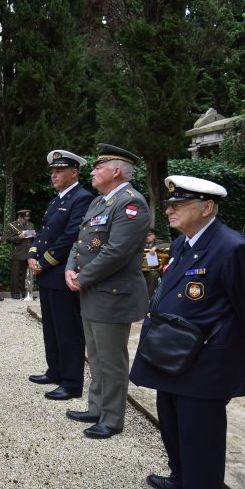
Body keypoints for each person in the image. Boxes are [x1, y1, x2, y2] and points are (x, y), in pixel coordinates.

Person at [130, 176, 245, 489]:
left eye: (179, 205)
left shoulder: (231, 247)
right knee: (173, 422)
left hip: (207, 360)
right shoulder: (185, 243)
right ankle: (182, 478)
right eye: (169, 205)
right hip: (172, 355)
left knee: (201, 435)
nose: (170, 210)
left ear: (207, 207)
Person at [65, 143, 149, 439]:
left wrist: (83, 276)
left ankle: (112, 418)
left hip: (112, 294)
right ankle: (96, 406)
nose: (93, 171)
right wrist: (70, 268)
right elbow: (80, 240)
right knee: (96, 355)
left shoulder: (131, 203)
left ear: (116, 170)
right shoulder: (99, 202)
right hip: (91, 289)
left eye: (98, 167)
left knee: (111, 360)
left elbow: (117, 252)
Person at [27, 150, 94, 402]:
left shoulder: (82, 198)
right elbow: (44, 233)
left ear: (73, 172)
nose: (53, 175)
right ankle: (55, 370)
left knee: (68, 330)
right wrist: (33, 254)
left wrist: (44, 262)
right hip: (47, 274)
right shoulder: (56, 200)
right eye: (52, 171)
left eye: (59, 170)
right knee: (52, 328)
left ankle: (72, 381)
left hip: (63, 273)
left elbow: (70, 236)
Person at [5, 209, 34, 299]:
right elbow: (7, 238)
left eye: (27, 218)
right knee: (16, 274)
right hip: (17, 253)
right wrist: (19, 237)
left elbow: (31, 239)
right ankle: (15, 292)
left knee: (27, 274)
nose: (26, 220)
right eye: (25, 218)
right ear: (20, 218)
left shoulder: (30, 225)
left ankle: (25, 292)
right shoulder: (12, 225)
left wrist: (34, 235)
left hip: (28, 252)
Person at [142, 229, 169, 299]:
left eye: (149, 235)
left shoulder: (159, 242)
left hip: (154, 269)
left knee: (153, 274)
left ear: (154, 236)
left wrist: (156, 247)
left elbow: (169, 244)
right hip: (141, 269)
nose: (146, 237)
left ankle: (148, 298)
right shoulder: (141, 242)